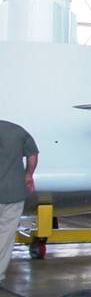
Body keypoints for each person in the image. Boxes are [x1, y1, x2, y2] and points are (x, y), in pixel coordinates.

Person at [0, 119, 38, 279]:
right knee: (5, 233)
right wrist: (28, 175)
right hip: (13, 192)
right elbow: (32, 156)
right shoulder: (17, 130)